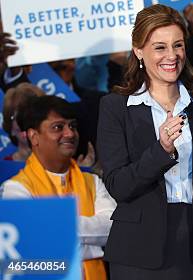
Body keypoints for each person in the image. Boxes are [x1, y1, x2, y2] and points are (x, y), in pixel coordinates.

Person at [96, 4, 193, 279]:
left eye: (178, 45)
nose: (171, 56)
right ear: (139, 50)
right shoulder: (115, 107)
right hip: (138, 251)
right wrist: (161, 150)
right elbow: (119, 186)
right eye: (159, 47)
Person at [0, 95, 116, 280]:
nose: (70, 133)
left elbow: (112, 228)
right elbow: (31, 248)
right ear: (33, 136)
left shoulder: (92, 182)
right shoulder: (16, 188)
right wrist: (93, 247)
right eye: (58, 127)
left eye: (72, 126)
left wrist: (57, 226)